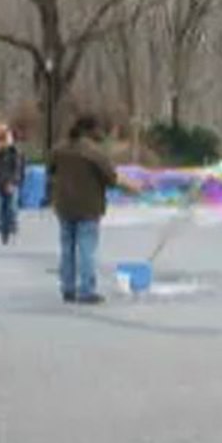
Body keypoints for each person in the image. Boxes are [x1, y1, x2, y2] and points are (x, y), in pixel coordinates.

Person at [49, 115, 139, 304]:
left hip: (64, 205)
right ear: (91, 131)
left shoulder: (58, 149)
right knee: (86, 249)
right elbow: (111, 178)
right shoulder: (94, 153)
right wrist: (132, 187)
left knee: (67, 248)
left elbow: (51, 172)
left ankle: (67, 288)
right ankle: (86, 290)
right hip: (88, 207)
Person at [0, 123, 22, 245]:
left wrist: (13, 182)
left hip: (7, 181)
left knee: (6, 209)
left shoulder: (13, 149)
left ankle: (5, 233)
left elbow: (17, 167)